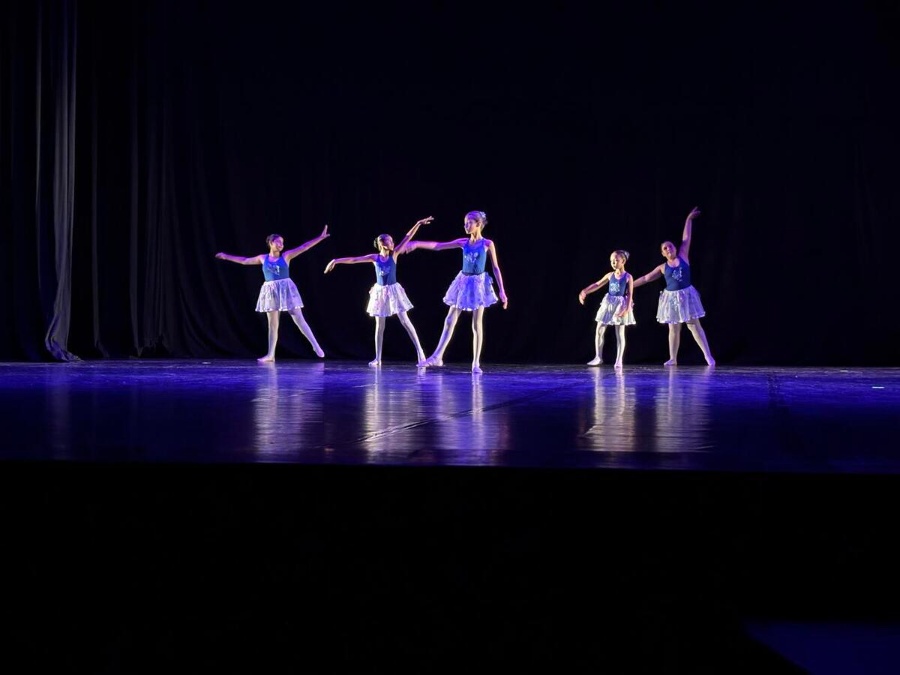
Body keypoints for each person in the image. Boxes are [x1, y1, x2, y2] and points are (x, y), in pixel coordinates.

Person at [324, 216, 434, 367]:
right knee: (379, 326)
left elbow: (407, 238)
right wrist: (336, 260)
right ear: (382, 243)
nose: (392, 243)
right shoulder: (374, 258)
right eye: (388, 240)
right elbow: (355, 260)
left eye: (392, 240)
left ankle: (420, 353)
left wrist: (417, 224)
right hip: (379, 292)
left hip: (394, 291)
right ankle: (378, 358)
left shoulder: (394, 254)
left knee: (405, 321)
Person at [215, 226, 329, 362]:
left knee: (299, 318)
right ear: (270, 243)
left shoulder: (286, 256)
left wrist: (320, 238)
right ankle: (271, 355)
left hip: (286, 288)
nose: (281, 245)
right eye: (278, 242)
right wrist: (226, 256)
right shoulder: (263, 258)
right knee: (273, 324)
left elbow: (304, 247)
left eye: (282, 242)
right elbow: (244, 261)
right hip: (270, 291)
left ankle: (315, 346)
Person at [417, 210, 508, 374]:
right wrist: (417, 243)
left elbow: (495, 267)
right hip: (463, 282)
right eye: (465, 223)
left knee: (476, 324)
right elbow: (438, 246)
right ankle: (437, 356)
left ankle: (475, 363)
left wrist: (502, 291)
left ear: (478, 224)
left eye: (469, 223)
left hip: (479, 284)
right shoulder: (463, 242)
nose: (466, 226)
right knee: (450, 319)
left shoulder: (487, 244)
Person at [632, 207, 715, 366]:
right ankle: (673, 358)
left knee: (694, 326)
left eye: (670, 246)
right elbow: (646, 278)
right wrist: (629, 285)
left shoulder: (683, 255)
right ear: (662, 253)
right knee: (674, 328)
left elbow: (686, 237)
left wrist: (688, 219)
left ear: (675, 248)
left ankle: (707, 356)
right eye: (665, 248)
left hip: (687, 295)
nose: (668, 249)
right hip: (671, 298)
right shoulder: (663, 267)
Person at [578, 250, 635, 368]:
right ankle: (598, 357)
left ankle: (619, 360)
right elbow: (597, 284)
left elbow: (630, 294)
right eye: (611, 261)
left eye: (616, 260)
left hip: (620, 304)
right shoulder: (610, 275)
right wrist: (585, 291)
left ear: (623, 261)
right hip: (608, 303)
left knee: (619, 332)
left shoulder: (628, 277)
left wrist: (627, 309)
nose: (613, 263)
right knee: (599, 328)